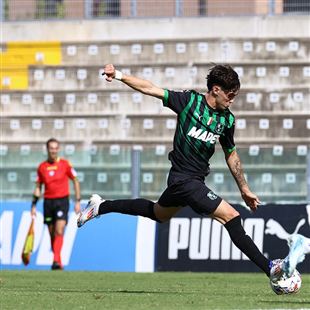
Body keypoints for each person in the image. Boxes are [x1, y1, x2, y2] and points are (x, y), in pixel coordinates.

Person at [77, 63, 305, 281]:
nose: (233, 100)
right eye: (230, 95)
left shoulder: (226, 120)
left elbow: (231, 154)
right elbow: (151, 89)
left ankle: (100, 206)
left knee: (159, 213)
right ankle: (271, 268)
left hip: (191, 181)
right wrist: (118, 75)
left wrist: (244, 188)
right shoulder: (188, 102)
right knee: (232, 217)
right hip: (183, 180)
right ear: (216, 90)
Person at [31, 138, 81, 270]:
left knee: (59, 230)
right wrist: (33, 205)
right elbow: (38, 187)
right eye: (51, 148)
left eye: (55, 148)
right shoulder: (42, 167)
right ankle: (58, 261)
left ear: (58, 149)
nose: (53, 150)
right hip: (48, 202)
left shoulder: (65, 164)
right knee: (52, 233)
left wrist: (78, 200)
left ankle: (55, 260)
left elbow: (76, 181)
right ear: (47, 149)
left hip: (62, 201)